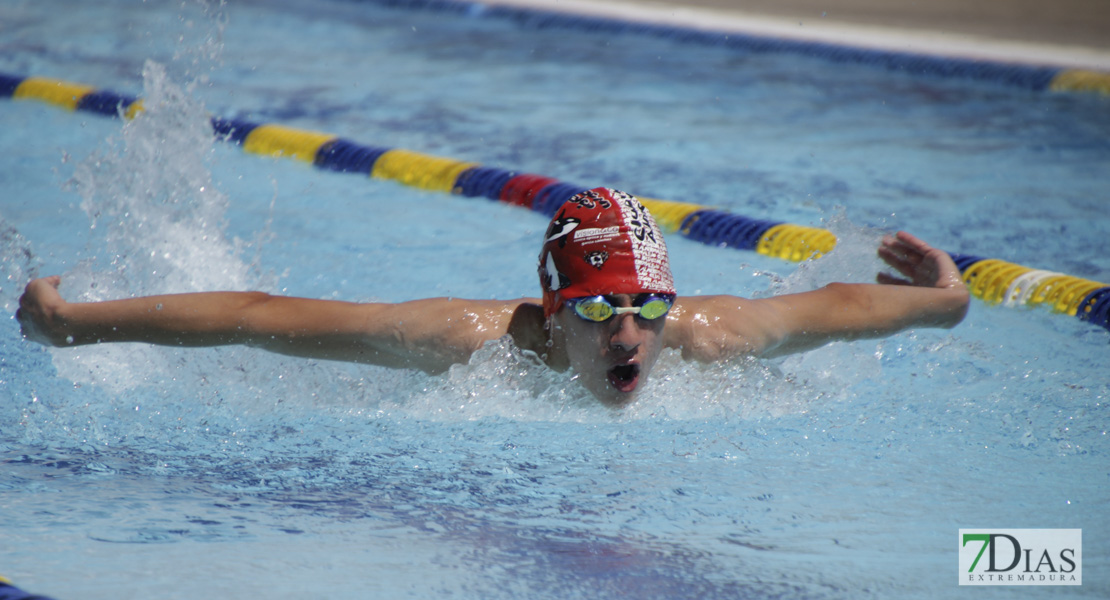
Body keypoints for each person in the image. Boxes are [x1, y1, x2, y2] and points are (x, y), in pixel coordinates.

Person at [18, 187, 970, 406]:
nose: (630, 331)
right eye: (599, 309)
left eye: (645, 305)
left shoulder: (704, 336)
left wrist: (949, 300)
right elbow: (256, 318)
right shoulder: (464, 343)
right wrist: (69, 328)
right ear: (555, 312)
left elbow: (840, 307)